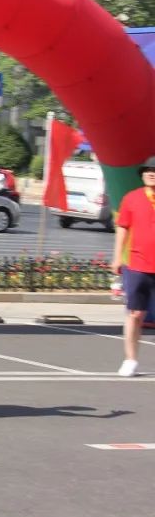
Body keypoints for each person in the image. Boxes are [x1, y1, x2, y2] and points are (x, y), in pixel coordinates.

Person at [110, 156, 155, 377]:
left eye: (154, 171)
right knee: (135, 314)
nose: (151, 174)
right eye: (147, 171)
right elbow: (123, 228)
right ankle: (130, 359)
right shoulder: (132, 198)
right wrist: (117, 257)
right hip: (138, 265)